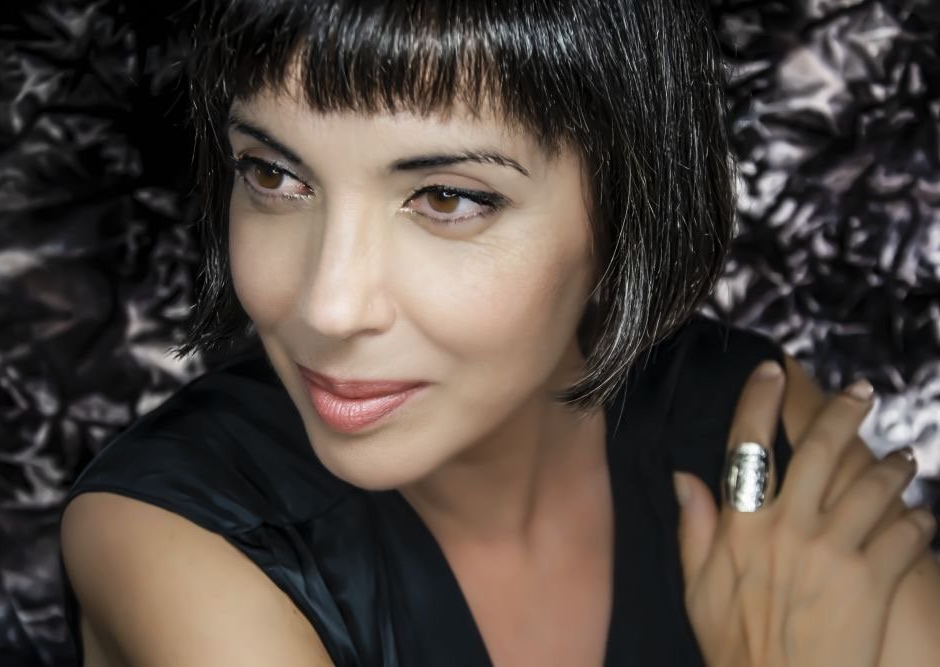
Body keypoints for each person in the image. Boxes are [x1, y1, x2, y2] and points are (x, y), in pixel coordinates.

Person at [57, 1, 940, 665]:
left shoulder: (746, 425)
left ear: (625, 208)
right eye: (275, 175)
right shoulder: (168, 541)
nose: (328, 306)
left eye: (447, 197)